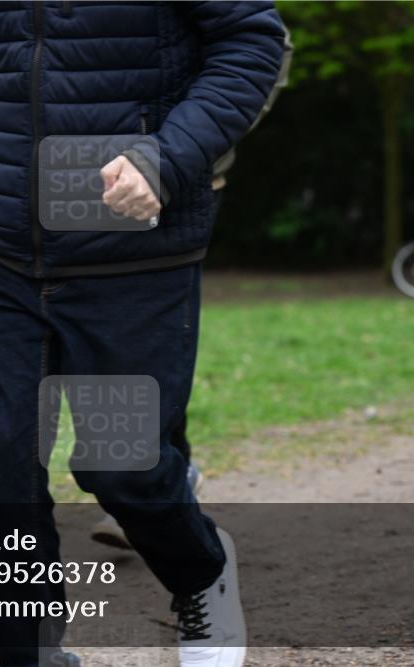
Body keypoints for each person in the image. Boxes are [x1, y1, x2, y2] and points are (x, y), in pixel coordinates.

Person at [0, 4, 286, 667]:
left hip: (133, 253)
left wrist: (166, 157)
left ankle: (201, 573)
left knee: (123, 466)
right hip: (6, 253)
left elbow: (251, 43)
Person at [90, 26, 294, 551]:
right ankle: (155, 477)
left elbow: (267, 53)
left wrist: (198, 142)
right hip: (86, 180)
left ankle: (154, 477)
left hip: (187, 181)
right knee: (105, 336)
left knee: (151, 333)